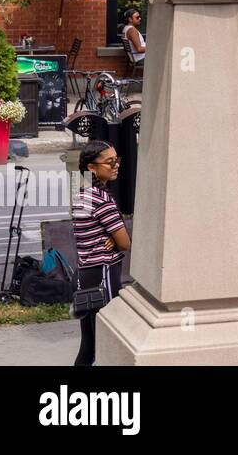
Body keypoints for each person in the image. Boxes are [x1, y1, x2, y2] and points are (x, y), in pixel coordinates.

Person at [72, 141, 130, 366]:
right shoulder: (102, 199)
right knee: (107, 341)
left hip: (85, 274)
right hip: (103, 275)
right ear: (92, 168)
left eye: (117, 160)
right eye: (109, 161)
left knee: (89, 344)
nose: (116, 165)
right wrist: (115, 240)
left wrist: (110, 237)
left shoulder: (81, 194)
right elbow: (125, 242)